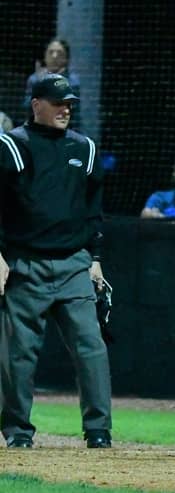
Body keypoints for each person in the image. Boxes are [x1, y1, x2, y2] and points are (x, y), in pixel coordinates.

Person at [1, 74, 112, 449]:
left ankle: (99, 431)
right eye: (57, 102)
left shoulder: (85, 148)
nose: (66, 108)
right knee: (18, 355)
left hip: (73, 264)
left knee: (91, 347)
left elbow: (93, 211)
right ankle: (17, 433)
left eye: (69, 103)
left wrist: (95, 258)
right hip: (24, 265)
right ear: (36, 105)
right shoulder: (12, 145)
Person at [24, 39, 81, 128]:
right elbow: (27, 106)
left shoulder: (73, 81)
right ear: (45, 56)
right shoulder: (34, 79)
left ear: (66, 58)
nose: (54, 56)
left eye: (59, 53)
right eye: (51, 52)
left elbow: (73, 112)